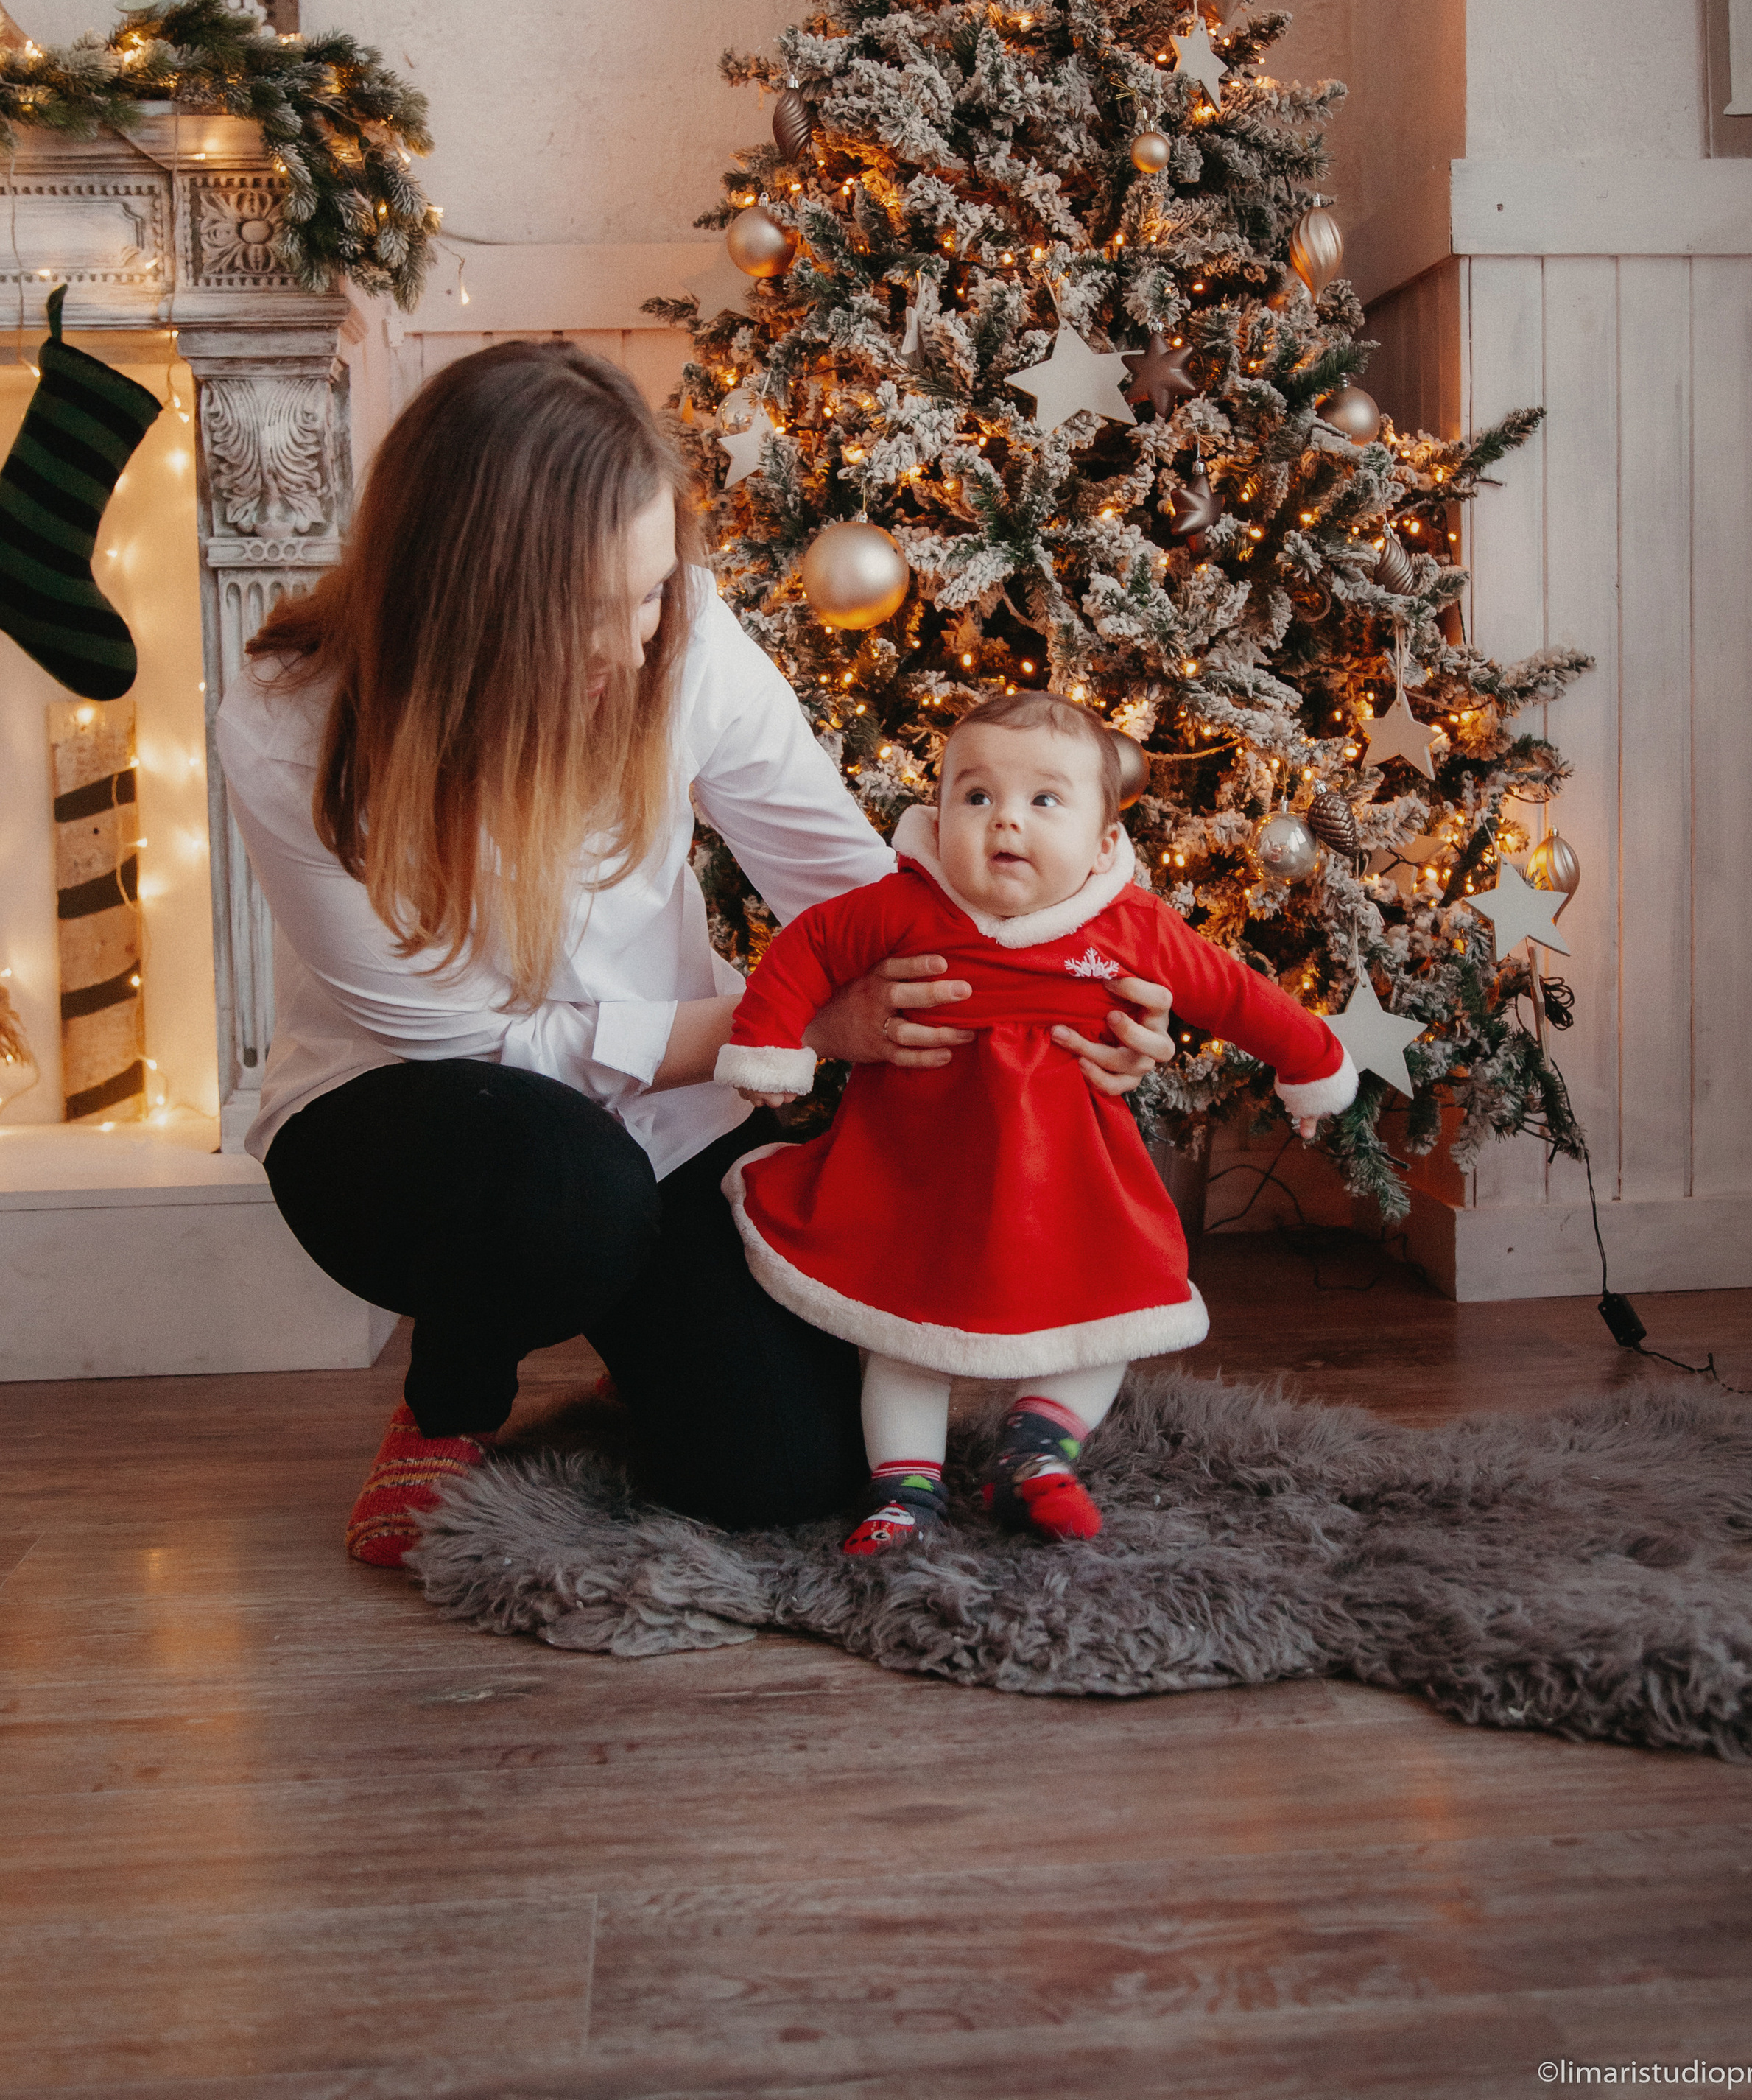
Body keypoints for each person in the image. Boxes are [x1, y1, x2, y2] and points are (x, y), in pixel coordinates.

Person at [217, 343, 1176, 1566]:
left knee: (788, 1469)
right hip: (417, 1123)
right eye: (586, 612)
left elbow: (853, 888)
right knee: (563, 1194)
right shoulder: (297, 728)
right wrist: (786, 1028)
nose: (630, 647)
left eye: (652, 588)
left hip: (671, 1107)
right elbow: (480, 1043)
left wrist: (1066, 980)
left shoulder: (682, 638)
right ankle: (449, 1395)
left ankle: (643, 1331)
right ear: (468, 603)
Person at [714, 692, 1358, 1556]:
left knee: (1117, 1311)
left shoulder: (1127, 927)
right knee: (903, 1333)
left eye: (1043, 800)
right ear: (935, 817)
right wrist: (769, 1047)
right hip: (916, 1176)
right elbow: (807, 951)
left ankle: (1036, 1451)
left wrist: (1311, 1065)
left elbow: (1235, 993)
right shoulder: (902, 907)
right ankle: (903, 1491)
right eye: (975, 797)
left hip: (1065, 1180)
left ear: (1102, 844)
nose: (1004, 821)